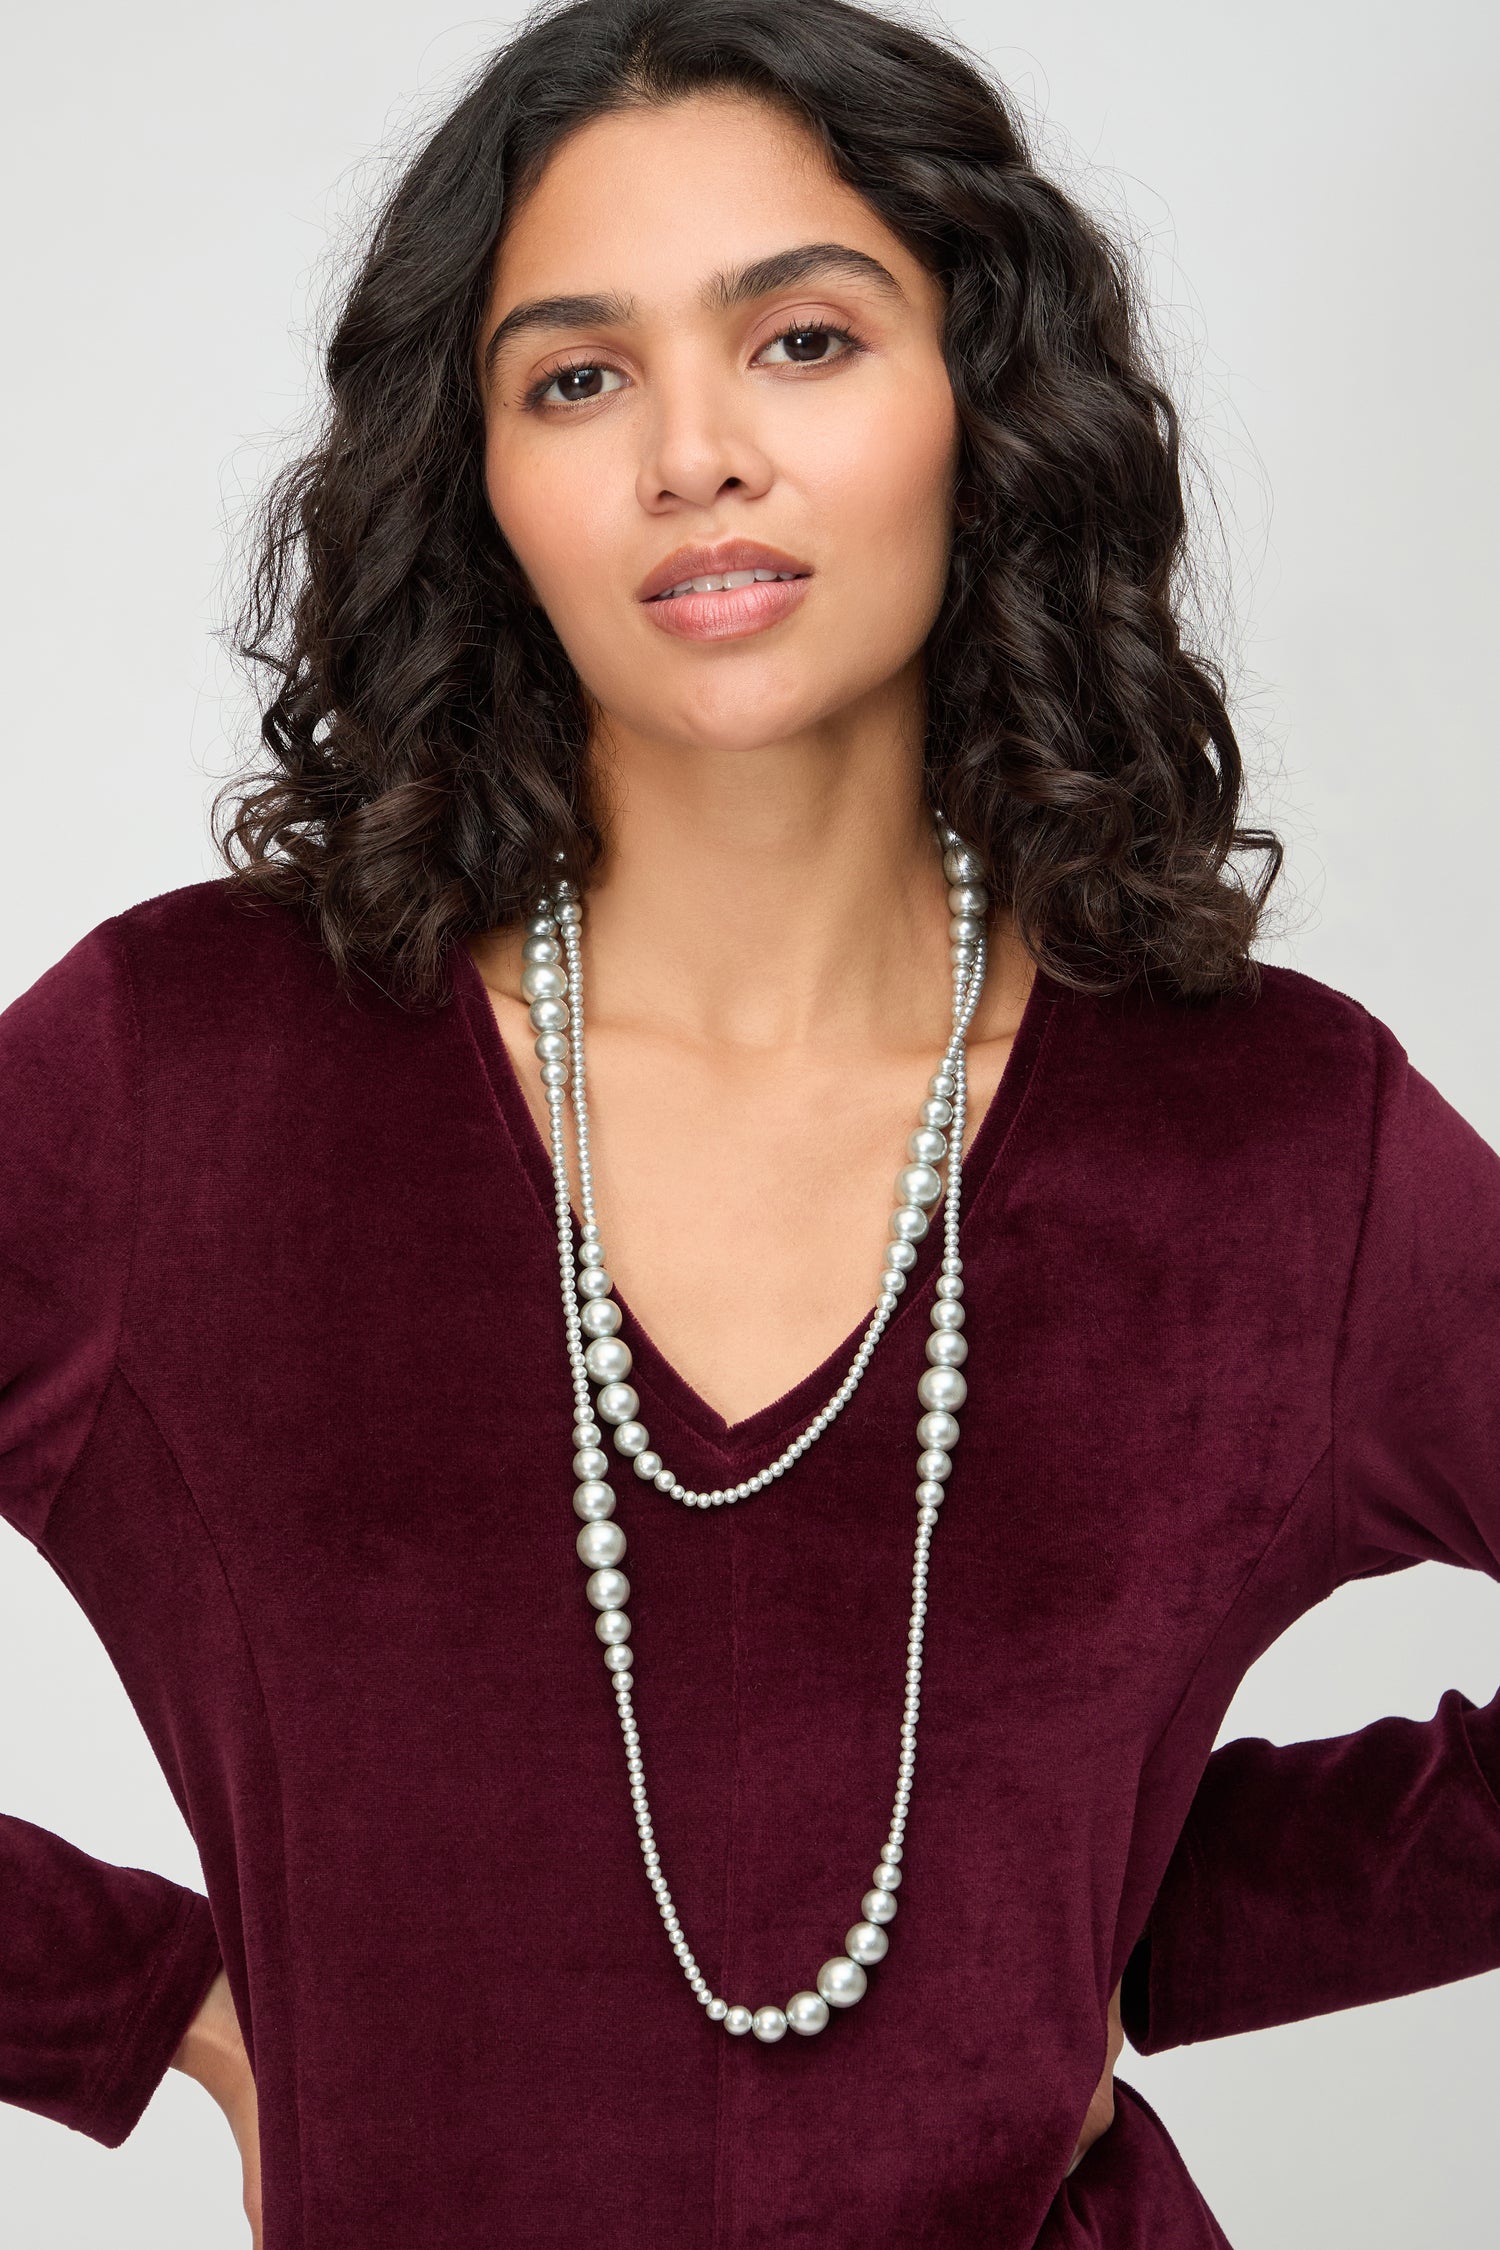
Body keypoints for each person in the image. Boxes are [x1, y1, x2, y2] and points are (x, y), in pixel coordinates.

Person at [2, 1, 1496, 2244]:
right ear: (480, 479)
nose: (694, 454)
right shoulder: (185, 1082)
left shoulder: (1280, 1144)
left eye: (802, 339)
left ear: (982, 405)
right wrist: (149, 2005)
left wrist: (1106, 1912)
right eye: (578, 377)